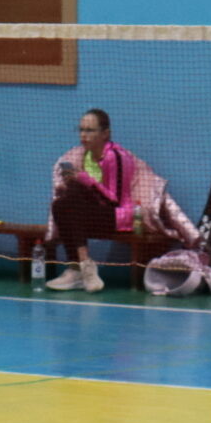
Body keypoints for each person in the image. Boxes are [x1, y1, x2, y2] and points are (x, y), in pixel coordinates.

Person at [45, 109, 146, 292]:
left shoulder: (115, 157)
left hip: (118, 216)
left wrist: (84, 180)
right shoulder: (85, 155)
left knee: (73, 200)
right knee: (60, 205)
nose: (83, 135)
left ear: (105, 134)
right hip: (89, 213)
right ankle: (77, 269)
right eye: (81, 130)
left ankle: (83, 266)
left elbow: (114, 200)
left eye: (90, 130)